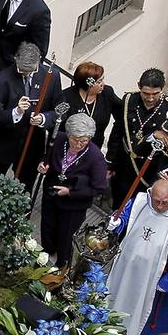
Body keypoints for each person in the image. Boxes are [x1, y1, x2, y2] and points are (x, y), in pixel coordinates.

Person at [108, 177, 168, 335]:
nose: (160, 207)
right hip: (128, 262)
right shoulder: (141, 201)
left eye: (165, 203)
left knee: (145, 302)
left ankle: (139, 334)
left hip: (152, 273)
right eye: (157, 202)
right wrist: (117, 223)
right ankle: (109, 320)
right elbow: (126, 216)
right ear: (151, 194)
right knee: (119, 290)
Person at [38, 113, 108, 268]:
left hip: (73, 207)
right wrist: (43, 165)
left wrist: (70, 192)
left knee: (65, 239)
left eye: (83, 141)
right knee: (47, 230)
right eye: (74, 140)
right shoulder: (59, 139)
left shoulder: (95, 157)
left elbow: (98, 187)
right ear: (68, 134)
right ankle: (43, 260)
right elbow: (46, 158)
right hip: (51, 196)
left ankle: (61, 270)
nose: (78, 145)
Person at [0, 42, 63, 177]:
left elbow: (60, 109)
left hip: (31, 146)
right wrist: (16, 112)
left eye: (30, 71)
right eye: (22, 71)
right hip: (2, 144)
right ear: (16, 59)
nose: (26, 74)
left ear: (38, 62)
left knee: (25, 188)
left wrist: (44, 118)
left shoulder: (52, 77)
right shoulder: (1, 79)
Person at [105, 68, 168, 206]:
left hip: (149, 169)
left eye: (155, 94)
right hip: (125, 164)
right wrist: (110, 163)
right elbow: (118, 132)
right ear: (139, 86)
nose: (150, 98)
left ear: (162, 89)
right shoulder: (129, 100)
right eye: (146, 93)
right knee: (119, 202)